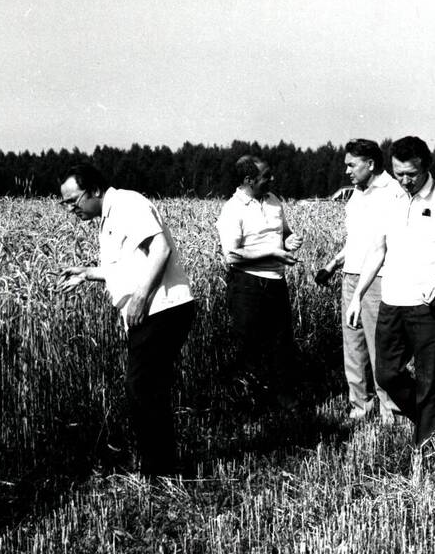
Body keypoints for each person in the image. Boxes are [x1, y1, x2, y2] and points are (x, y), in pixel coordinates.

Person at [58, 163, 195, 477]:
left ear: (93, 190)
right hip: (155, 309)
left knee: (142, 390)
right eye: (64, 204)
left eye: (72, 200)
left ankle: (159, 472)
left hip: (161, 308)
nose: (70, 210)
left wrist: (140, 297)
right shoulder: (110, 215)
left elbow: (159, 250)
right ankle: (161, 468)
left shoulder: (127, 204)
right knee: (146, 391)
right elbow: (132, 263)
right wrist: (88, 273)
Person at [346, 136, 435, 447]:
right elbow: (378, 250)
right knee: (387, 375)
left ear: (426, 166)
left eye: (412, 174)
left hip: (430, 303)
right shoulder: (390, 199)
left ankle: (428, 449)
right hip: (392, 301)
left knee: (429, 381)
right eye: (398, 173)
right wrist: (357, 296)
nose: (405, 181)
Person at [315, 139, 399, 421]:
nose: (347, 171)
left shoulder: (393, 193)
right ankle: (360, 407)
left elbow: (385, 245)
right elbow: (357, 241)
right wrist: (332, 264)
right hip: (350, 276)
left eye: (352, 165)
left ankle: (391, 411)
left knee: (381, 348)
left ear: (371, 164)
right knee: (353, 347)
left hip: (378, 279)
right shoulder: (357, 195)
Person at [215, 154, 302, 406]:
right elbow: (232, 256)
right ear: (248, 179)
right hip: (247, 286)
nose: (272, 179)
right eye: (266, 176)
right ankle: (252, 401)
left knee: (281, 341)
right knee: (250, 344)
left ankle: (284, 397)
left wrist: (289, 241)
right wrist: (272, 253)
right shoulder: (232, 209)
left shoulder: (274, 201)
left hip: (276, 282)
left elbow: (284, 233)